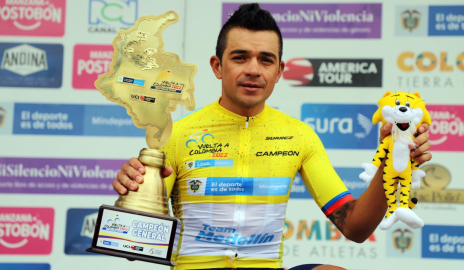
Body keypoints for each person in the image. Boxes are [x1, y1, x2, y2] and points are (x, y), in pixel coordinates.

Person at [113, 3, 432, 270]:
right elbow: (135, 244)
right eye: (240, 57)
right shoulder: (176, 135)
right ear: (217, 66)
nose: (253, 69)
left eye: (265, 60)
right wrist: (131, 199)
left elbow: (356, 228)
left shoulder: (299, 135)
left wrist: (392, 159)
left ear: (279, 71)